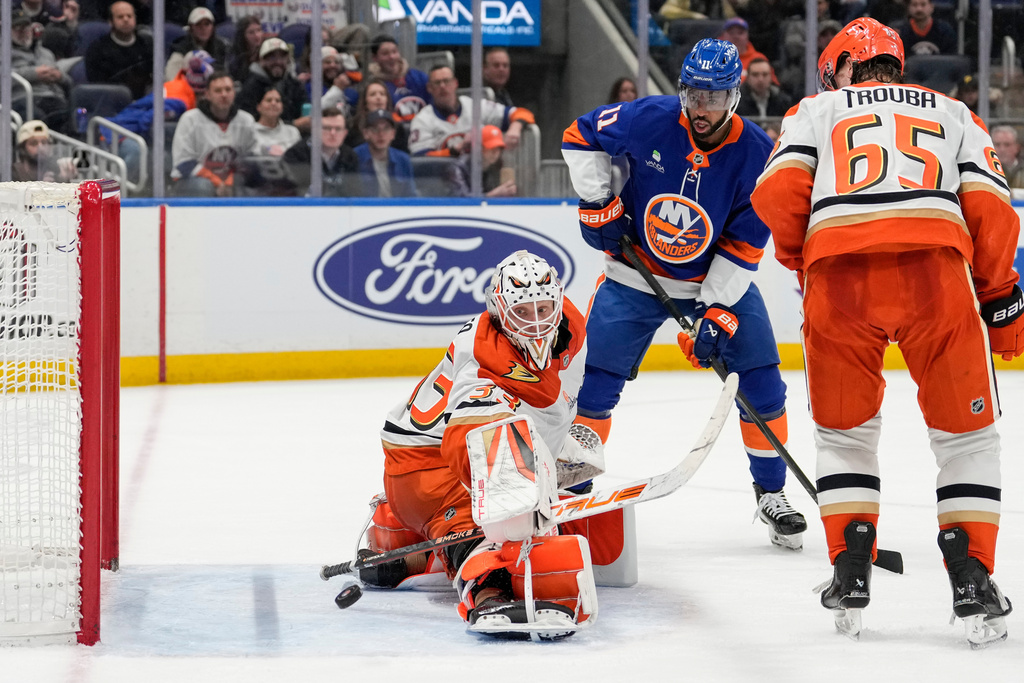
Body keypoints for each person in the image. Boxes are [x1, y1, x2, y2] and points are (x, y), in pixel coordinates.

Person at [751, 22, 1018, 647]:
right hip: (937, 275)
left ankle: (850, 570)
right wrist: (1000, 290)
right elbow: (992, 207)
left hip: (839, 280)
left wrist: (804, 256)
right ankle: (973, 576)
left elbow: (778, 191)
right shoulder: (953, 110)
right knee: (968, 438)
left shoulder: (813, 110)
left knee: (844, 434)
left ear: (844, 65)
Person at [560, 38, 808, 551]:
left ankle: (771, 493)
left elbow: (743, 245)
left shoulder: (760, 154)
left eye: (714, 99)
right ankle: (572, 490)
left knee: (762, 385)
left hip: (716, 281)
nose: (701, 110)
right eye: (694, 96)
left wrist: (716, 309)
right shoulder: (650, 118)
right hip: (634, 275)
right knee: (595, 386)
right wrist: (599, 201)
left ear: (734, 97)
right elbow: (579, 134)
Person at [362, 250, 602, 639]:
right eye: (524, 313)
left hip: (427, 452)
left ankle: (405, 539)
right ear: (499, 312)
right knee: (499, 525)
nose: (538, 322)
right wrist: (524, 499)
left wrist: (550, 459)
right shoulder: (484, 358)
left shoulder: (571, 327)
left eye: (544, 308)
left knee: (530, 495)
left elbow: (554, 407)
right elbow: (468, 444)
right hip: (426, 466)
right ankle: (487, 589)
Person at [409, 65, 535, 157]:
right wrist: (455, 150)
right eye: (437, 83)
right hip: (440, 181)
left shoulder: (475, 106)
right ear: (429, 88)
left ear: (455, 83)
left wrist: (515, 128)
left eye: (446, 81)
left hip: (481, 176)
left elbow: (523, 113)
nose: (443, 86)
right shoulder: (422, 119)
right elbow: (420, 158)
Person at [171, 70, 257, 197]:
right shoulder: (190, 119)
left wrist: (232, 181)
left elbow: (252, 159)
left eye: (228, 90)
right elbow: (183, 163)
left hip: (232, 180)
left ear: (234, 93)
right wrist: (216, 181)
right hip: (192, 182)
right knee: (203, 187)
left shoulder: (246, 120)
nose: (224, 95)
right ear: (207, 95)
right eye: (218, 91)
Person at [11, 8, 73, 133]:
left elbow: (69, 82)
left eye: (26, 27)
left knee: (73, 115)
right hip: (22, 99)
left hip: (52, 97)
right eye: (17, 28)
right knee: (37, 117)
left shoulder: (46, 53)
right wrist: (35, 74)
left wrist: (59, 76)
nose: (23, 31)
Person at [282, 106, 361, 197]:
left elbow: (354, 194)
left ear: (344, 134)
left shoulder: (350, 156)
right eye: (327, 128)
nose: (333, 133)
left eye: (338, 129)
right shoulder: (295, 154)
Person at [83, 1, 153, 99]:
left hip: (143, 101)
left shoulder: (146, 45)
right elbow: (97, 86)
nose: (126, 20)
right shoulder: (97, 49)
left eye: (129, 16)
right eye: (120, 17)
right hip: (110, 102)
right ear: (111, 22)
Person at [237, 37, 309, 130]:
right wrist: (293, 124)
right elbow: (248, 123)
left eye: (282, 57)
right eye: (272, 57)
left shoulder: (295, 85)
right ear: (261, 60)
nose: (278, 62)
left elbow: (304, 111)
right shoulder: (250, 87)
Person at [367, 34, 431, 127]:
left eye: (394, 51)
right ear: (375, 58)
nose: (392, 57)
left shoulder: (419, 77)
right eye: (385, 53)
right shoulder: (374, 85)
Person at [352, 109, 416, 198]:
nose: (381, 134)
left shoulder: (403, 160)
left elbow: (410, 196)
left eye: (386, 129)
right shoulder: (353, 157)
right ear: (366, 133)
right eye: (375, 129)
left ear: (393, 134)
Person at [444, 124, 517, 198]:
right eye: (491, 148)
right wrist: (494, 194)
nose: (496, 153)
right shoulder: (457, 169)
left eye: (499, 149)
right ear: (478, 149)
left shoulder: (494, 167)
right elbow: (462, 201)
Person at [346, 78, 409, 153]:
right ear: (365, 102)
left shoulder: (398, 128)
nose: (378, 98)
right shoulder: (352, 126)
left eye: (382, 94)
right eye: (373, 94)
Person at [165, 7, 230, 80]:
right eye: (198, 24)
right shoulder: (180, 49)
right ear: (191, 27)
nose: (203, 28)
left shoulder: (221, 47)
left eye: (207, 24)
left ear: (212, 27)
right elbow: (171, 78)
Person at [11, 120, 77, 183]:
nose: (40, 147)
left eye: (44, 142)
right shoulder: (13, 173)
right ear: (22, 149)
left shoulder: (56, 170)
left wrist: (64, 181)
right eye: (34, 143)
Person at [252, 85, 300, 157]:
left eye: (278, 101)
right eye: (269, 100)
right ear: (259, 107)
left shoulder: (292, 132)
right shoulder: (250, 132)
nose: (273, 103)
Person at [227, 14, 263, 84]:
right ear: (242, 35)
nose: (257, 35)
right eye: (251, 32)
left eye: (258, 30)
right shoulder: (235, 57)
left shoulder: (266, 50)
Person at [992, 125, 1024, 189]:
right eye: (997, 144)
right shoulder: (985, 170)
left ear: (1017, 147)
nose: (1002, 150)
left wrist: (1014, 194)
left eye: (1007, 145)